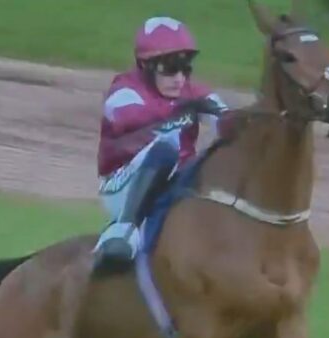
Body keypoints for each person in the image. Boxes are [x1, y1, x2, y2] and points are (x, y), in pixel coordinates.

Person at [91, 16, 231, 276]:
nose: (179, 78)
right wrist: (185, 112)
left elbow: (229, 123)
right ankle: (123, 231)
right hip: (122, 184)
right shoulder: (123, 92)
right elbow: (136, 123)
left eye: (185, 68)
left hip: (173, 179)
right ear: (145, 65)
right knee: (166, 146)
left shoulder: (192, 91)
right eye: (169, 68)